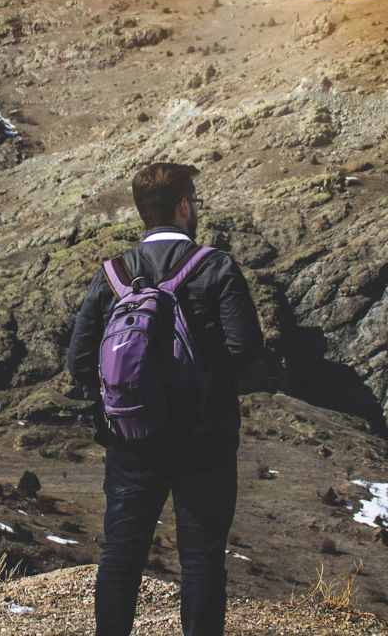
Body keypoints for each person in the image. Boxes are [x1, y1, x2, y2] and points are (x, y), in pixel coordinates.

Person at [67, 161, 264, 636]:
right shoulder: (215, 266)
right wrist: (206, 388)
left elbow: (78, 360)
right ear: (182, 207)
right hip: (205, 441)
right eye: (193, 201)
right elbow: (246, 349)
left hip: (131, 440)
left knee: (121, 555)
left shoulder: (114, 274)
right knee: (200, 560)